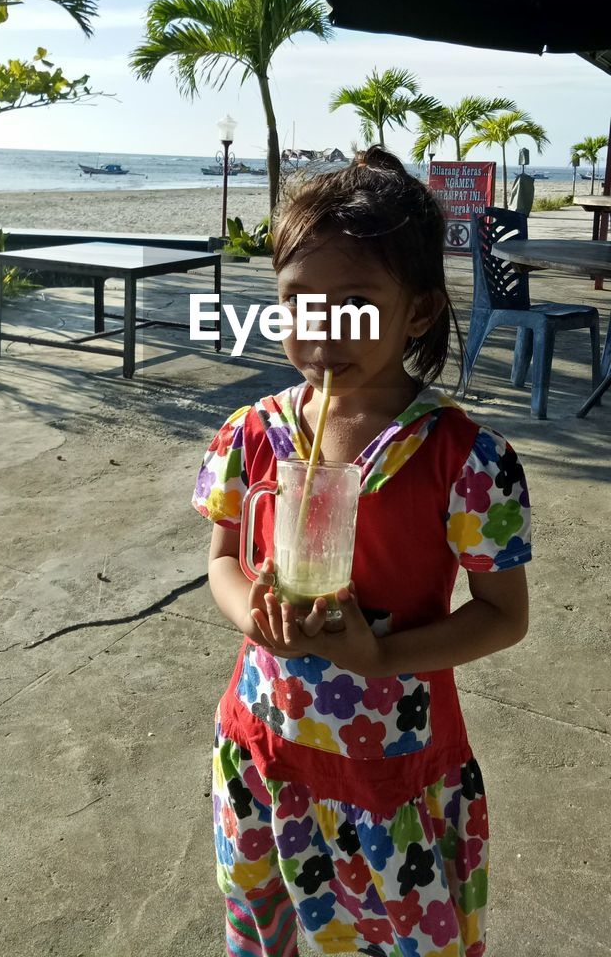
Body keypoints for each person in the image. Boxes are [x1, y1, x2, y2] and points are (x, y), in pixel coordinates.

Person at [193, 148, 531, 957]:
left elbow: (502, 615)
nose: (321, 329)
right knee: (261, 926)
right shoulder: (254, 434)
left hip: (392, 772)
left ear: (416, 312)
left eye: (354, 303)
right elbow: (222, 562)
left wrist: (379, 658)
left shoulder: (465, 459)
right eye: (297, 303)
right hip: (263, 743)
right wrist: (257, 614)